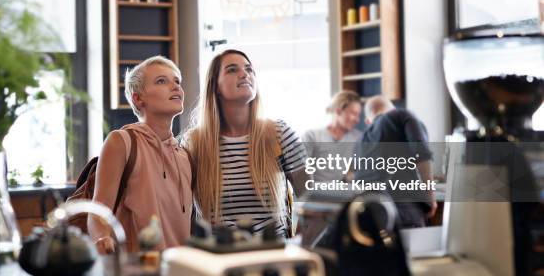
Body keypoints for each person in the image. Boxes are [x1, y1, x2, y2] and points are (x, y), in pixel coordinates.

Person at [185, 49, 306, 238]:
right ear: (215, 85)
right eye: (232, 70)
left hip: (273, 256)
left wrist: (299, 244)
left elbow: (311, 199)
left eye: (249, 69)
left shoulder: (279, 134)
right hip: (217, 260)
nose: (245, 74)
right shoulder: (194, 143)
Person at [88, 56, 192, 254]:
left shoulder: (185, 155)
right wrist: (102, 238)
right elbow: (98, 211)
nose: (175, 87)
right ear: (138, 98)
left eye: (177, 81)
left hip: (179, 274)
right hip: (136, 274)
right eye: (162, 81)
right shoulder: (122, 142)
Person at [353, 95, 437, 228]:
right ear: (392, 108)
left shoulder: (360, 141)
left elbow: (355, 177)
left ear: (368, 121)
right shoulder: (401, 115)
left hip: (367, 212)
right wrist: (430, 196)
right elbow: (422, 153)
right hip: (403, 209)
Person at [302, 90, 363, 183]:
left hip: (343, 193)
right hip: (315, 194)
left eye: (359, 115)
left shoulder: (358, 138)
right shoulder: (312, 136)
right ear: (338, 111)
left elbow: (355, 172)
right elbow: (301, 173)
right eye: (354, 114)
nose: (357, 120)